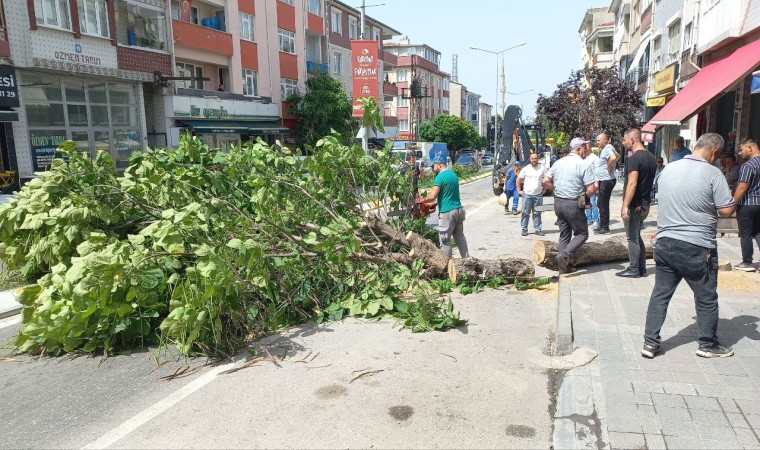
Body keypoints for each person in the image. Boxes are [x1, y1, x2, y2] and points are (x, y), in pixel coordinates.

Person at [642, 133, 736, 359]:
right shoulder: (713, 173)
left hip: (665, 243)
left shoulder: (668, 169)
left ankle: (649, 343)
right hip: (696, 246)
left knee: (660, 295)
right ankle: (707, 344)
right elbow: (726, 210)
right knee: (706, 297)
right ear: (714, 152)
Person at [544, 137, 596, 273]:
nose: (587, 149)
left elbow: (546, 180)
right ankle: (564, 255)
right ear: (578, 149)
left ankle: (564, 267)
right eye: (585, 147)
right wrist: (583, 200)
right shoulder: (583, 164)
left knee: (565, 233)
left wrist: (556, 190)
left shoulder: (559, 162)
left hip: (559, 202)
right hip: (574, 202)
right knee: (582, 234)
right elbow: (590, 190)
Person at [616, 129, 657, 278]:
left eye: (624, 140)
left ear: (632, 140)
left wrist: (625, 205)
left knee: (631, 237)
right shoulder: (652, 157)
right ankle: (642, 267)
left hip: (635, 205)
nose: (623, 142)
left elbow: (632, 184)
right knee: (636, 234)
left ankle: (634, 268)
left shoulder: (634, 158)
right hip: (646, 203)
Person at [422, 156, 469, 259]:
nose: (433, 169)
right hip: (458, 210)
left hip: (447, 212)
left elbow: (432, 196)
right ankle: (467, 261)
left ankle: (447, 266)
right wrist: (437, 204)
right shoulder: (453, 175)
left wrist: (421, 200)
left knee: (445, 239)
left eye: (433, 166)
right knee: (460, 237)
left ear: (439, 164)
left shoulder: (440, 177)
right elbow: (448, 195)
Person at [733, 137, 760, 272]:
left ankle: (747, 262)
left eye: (741, 149)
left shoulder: (747, 166)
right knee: (758, 232)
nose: (739, 153)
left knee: (746, 234)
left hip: (748, 204)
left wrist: (733, 202)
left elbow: (742, 187)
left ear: (750, 148)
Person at [594, 133, 619, 234]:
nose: (597, 142)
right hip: (603, 180)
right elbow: (618, 156)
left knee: (603, 204)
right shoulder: (606, 149)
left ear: (605, 140)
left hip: (606, 180)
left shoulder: (608, 147)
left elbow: (613, 157)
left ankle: (605, 227)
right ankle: (602, 225)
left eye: (599, 140)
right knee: (600, 203)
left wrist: (610, 167)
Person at [517, 152, 547, 236]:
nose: (534, 160)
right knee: (525, 213)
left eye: (535, 158)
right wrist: (520, 191)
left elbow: (546, 179)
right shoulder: (526, 169)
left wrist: (544, 189)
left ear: (538, 159)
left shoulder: (542, 168)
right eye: (532, 158)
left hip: (538, 195)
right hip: (527, 195)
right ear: (530, 159)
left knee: (537, 213)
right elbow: (518, 180)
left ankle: (538, 229)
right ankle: (524, 229)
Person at [582, 142, 600, 227]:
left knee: (592, 202)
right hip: (583, 183)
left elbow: (597, 170)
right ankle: (589, 219)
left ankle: (596, 220)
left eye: (587, 146)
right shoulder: (583, 157)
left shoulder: (594, 158)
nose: (586, 148)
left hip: (591, 183)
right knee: (586, 202)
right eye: (584, 146)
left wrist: (597, 182)